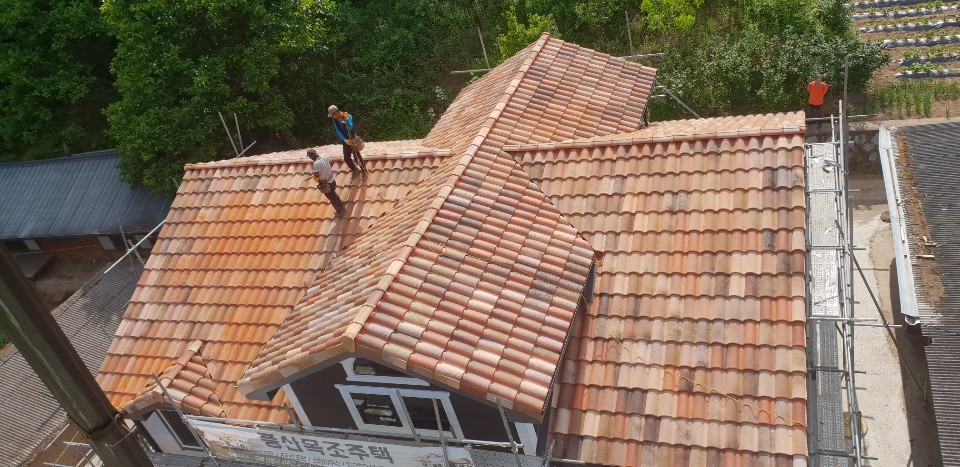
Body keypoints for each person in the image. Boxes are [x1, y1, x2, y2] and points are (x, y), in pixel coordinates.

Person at [328, 104, 366, 176]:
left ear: (336, 112)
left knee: (357, 157)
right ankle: (355, 169)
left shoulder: (348, 116)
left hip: (353, 138)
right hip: (345, 140)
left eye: (333, 115)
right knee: (346, 158)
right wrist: (345, 140)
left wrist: (347, 120)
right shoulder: (335, 120)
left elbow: (350, 127)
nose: (333, 117)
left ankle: (364, 170)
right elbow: (338, 131)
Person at [307, 149, 346, 217]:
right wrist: (326, 170)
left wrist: (315, 177)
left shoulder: (316, 164)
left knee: (331, 198)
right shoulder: (324, 157)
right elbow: (330, 162)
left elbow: (316, 176)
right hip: (332, 180)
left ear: (311, 157)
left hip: (326, 184)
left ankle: (339, 212)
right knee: (333, 193)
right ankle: (342, 206)